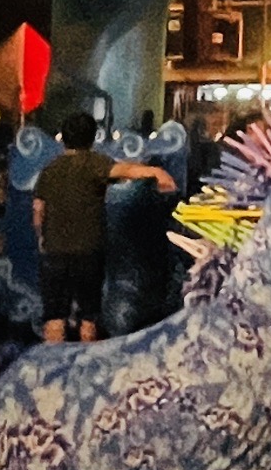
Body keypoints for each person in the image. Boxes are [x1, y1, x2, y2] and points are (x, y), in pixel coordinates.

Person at [30, 113, 178, 343]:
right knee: (89, 316)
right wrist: (157, 172)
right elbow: (127, 170)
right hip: (89, 250)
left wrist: (42, 237)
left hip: (55, 250)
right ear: (91, 138)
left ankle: (53, 361)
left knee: (54, 316)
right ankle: (89, 359)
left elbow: (38, 211)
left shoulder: (50, 170)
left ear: (64, 138)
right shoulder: (94, 163)